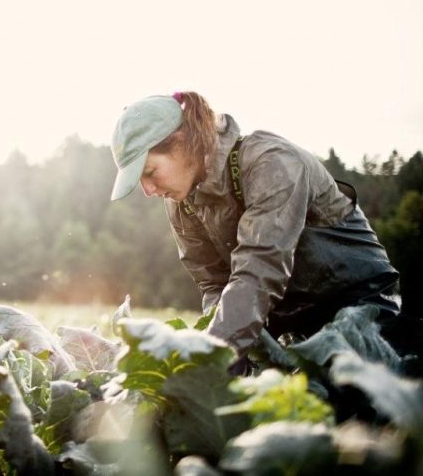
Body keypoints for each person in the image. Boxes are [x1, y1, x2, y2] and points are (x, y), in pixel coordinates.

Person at [109, 91, 402, 359]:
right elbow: (215, 284)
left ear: (183, 140)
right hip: (290, 325)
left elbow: (260, 270)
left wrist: (216, 356)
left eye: (150, 172)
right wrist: (221, 348)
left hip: (362, 311)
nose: (148, 190)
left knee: (360, 403)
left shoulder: (271, 162)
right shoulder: (181, 202)